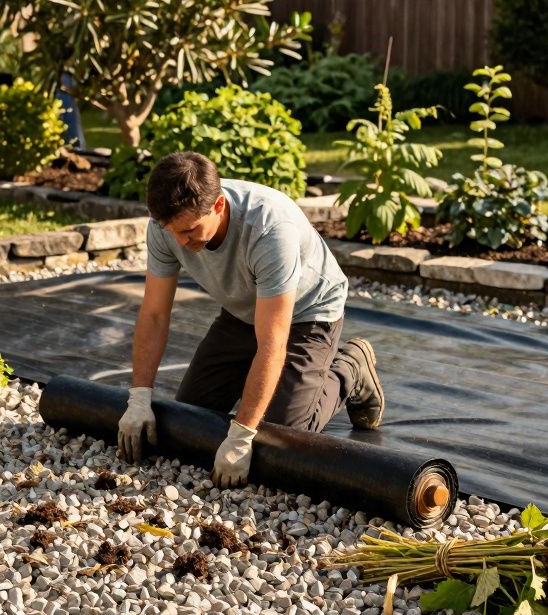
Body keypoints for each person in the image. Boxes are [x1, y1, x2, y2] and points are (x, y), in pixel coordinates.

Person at [117, 151, 385, 488]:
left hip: (308, 311)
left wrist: (242, 435)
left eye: (189, 231)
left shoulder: (269, 229)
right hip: (242, 309)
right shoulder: (166, 226)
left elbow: (272, 343)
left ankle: (351, 367)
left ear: (218, 206)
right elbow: (154, 314)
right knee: (189, 416)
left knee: (278, 434)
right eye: (172, 231)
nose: (180, 242)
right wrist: (139, 397)